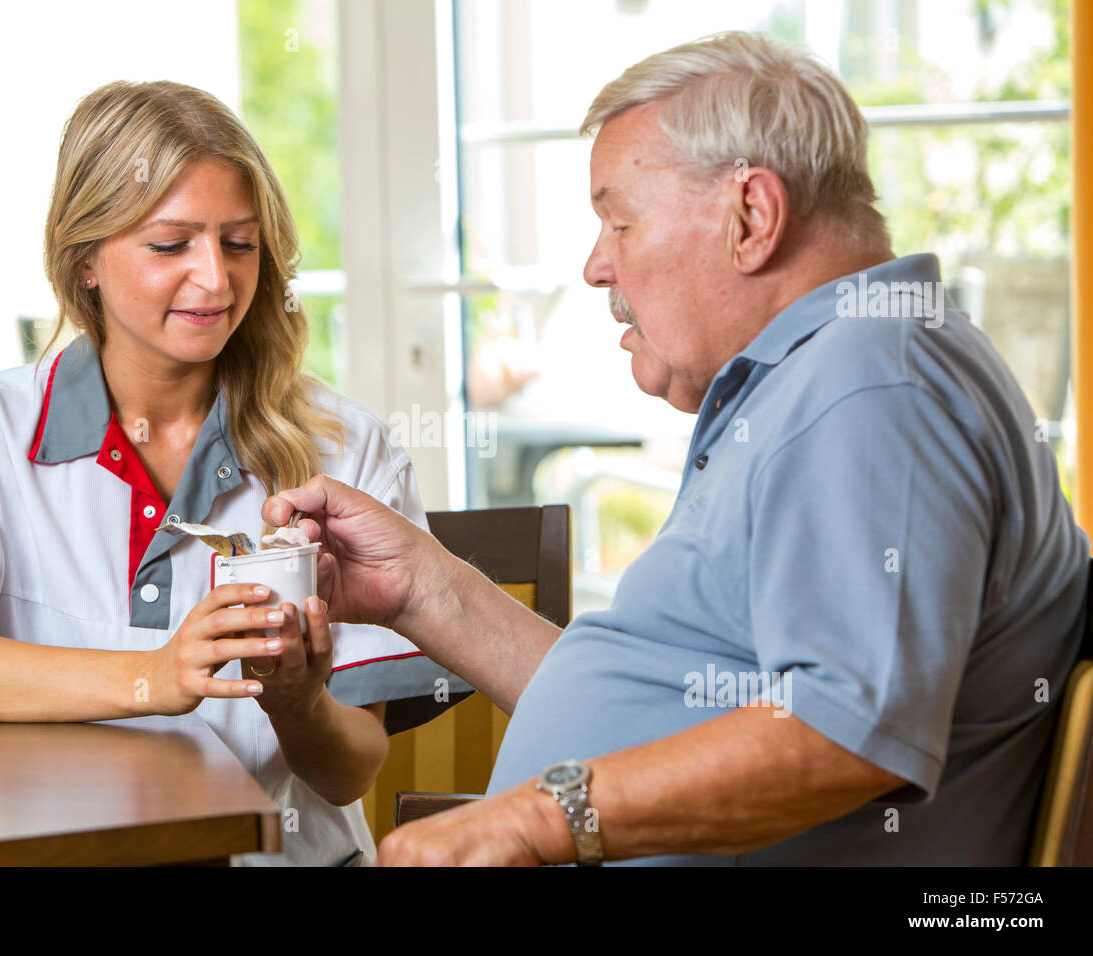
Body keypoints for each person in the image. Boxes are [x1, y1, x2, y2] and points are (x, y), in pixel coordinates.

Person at [261, 32, 1089, 866]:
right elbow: (681, 701)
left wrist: (529, 821)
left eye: (619, 222)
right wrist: (418, 589)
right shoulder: (833, 372)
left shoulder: (871, 387)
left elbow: (848, 731)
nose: (595, 266)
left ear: (752, 217)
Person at [0, 80, 455, 866]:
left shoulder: (344, 448)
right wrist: (152, 677)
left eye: (238, 242)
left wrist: (298, 705)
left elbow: (345, 774)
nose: (217, 280)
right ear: (84, 257)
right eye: (171, 245)